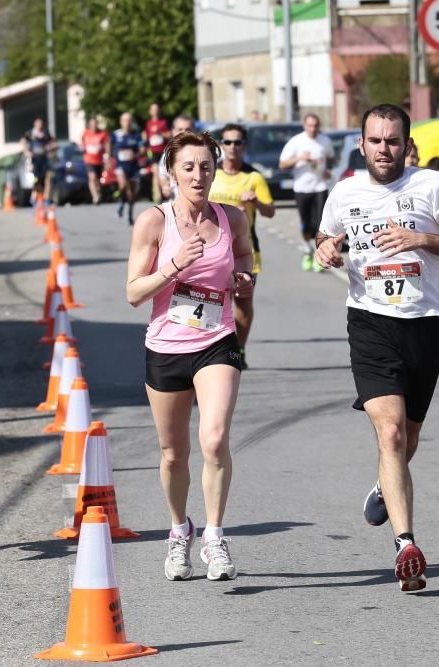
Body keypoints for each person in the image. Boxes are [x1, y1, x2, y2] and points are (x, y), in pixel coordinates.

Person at [314, 103, 439, 593]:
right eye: (375, 140)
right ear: (361, 144)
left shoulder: (431, 186)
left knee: (407, 438)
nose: (383, 149)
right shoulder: (345, 191)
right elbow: (325, 237)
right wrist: (324, 249)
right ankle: (406, 545)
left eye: (392, 141)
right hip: (370, 322)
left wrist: (422, 239)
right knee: (389, 435)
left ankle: (386, 483)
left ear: (406, 145)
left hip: (425, 324)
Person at [126, 129, 254, 581]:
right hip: (166, 346)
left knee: (215, 439)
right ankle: (180, 531)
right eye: (188, 167)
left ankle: (215, 538)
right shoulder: (153, 223)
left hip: (216, 340)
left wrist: (243, 278)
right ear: (172, 172)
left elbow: (243, 258)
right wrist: (175, 265)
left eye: (206, 166)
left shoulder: (232, 218)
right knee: (172, 454)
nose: (198, 175)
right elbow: (134, 293)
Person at [209, 123, 275, 370]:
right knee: (214, 301)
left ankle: (240, 348)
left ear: (244, 146)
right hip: (213, 251)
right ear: (221, 146)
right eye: (227, 142)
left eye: (237, 143)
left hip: (245, 252)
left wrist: (256, 201)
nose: (232, 147)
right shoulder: (211, 175)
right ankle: (215, 349)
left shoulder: (253, 177)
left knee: (243, 304)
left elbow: (270, 212)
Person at [279, 114, 333, 271]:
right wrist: (300, 158)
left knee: (320, 224)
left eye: (315, 125)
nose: (313, 128)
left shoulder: (325, 141)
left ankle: (319, 255)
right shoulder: (296, 142)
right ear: (304, 126)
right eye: (310, 125)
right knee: (306, 224)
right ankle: (306, 250)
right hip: (302, 188)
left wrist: (327, 169)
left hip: (320, 186)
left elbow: (330, 157)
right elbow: (282, 164)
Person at [109, 112, 144, 224]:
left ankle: (129, 214)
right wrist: (108, 159)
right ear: (121, 122)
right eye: (124, 120)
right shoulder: (116, 134)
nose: (127, 122)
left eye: (129, 120)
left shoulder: (136, 135)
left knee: (131, 194)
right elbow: (109, 146)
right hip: (121, 166)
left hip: (133, 167)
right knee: (123, 185)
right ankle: (120, 204)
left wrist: (137, 155)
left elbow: (142, 149)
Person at [158, 115, 196, 201]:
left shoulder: (204, 152)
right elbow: (163, 174)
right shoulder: (168, 154)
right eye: (180, 129)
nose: (184, 133)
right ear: (173, 131)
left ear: (194, 131)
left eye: (188, 130)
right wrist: (165, 186)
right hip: (177, 205)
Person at [22, 118, 55, 203]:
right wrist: (26, 152)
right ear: (35, 124)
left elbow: (53, 143)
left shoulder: (46, 133)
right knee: (37, 179)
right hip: (34, 160)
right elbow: (23, 141)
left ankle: (46, 198)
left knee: (47, 178)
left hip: (44, 159)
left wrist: (50, 147)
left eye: (41, 124)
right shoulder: (30, 133)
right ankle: (37, 195)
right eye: (38, 124)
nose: (40, 126)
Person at [144, 103, 171, 203]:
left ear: (159, 111)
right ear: (150, 111)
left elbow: (169, 135)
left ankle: (165, 191)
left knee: (163, 172)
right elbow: (146, 138)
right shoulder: (148, 124)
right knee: (155, 171)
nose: (154, 111)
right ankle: (157, 195)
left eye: (156, 109)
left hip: (163, 151)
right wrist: (146, 149)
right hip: (153, 152)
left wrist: (160, 133)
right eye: (153, 109)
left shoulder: (163, 122)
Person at [81, 117, 109, 205]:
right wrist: (82, 148)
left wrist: (107, 157)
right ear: (89, 125)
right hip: (89, 160)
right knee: (92, 177)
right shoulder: (86, 133)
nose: (93, 126)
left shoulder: (103, 134)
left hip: (99, 160)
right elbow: (82, 143)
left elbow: (107, 146)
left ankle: (98, 192)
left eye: (95, 124)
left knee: (98, 180)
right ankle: (95, 196)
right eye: (91, 124)